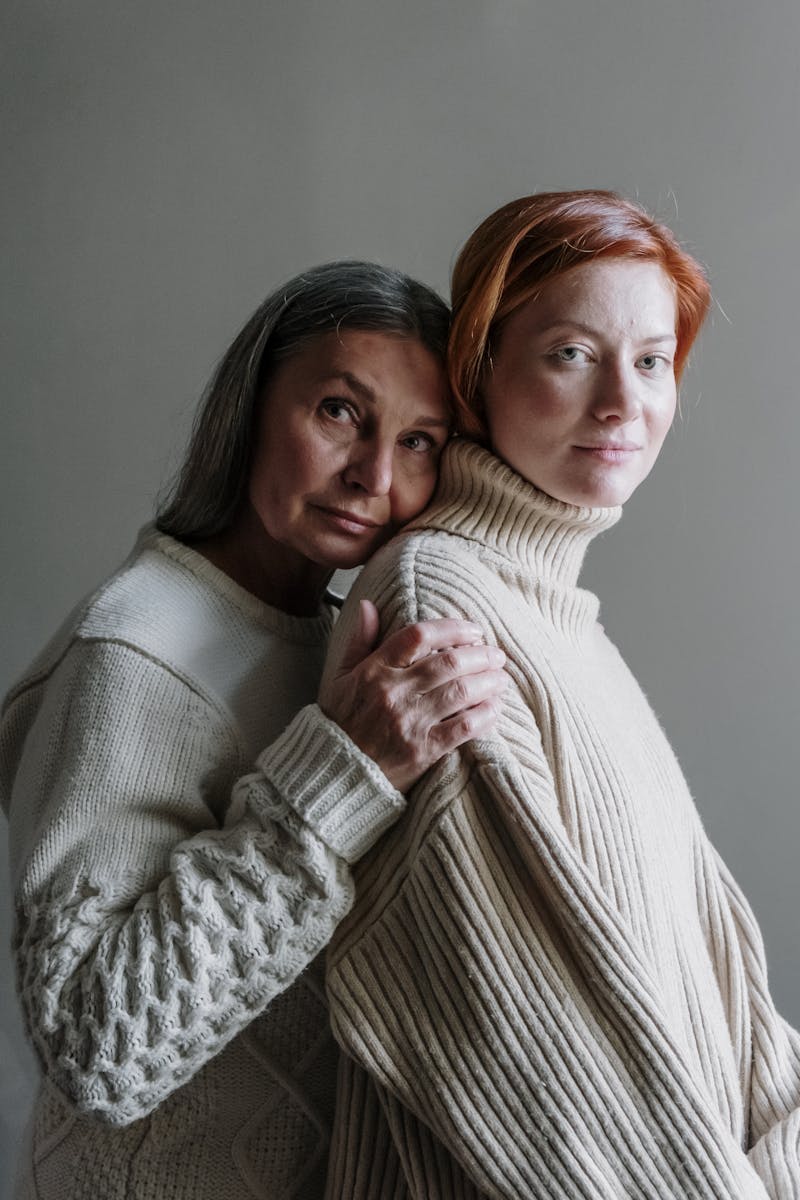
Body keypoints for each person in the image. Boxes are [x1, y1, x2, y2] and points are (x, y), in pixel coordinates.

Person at [321, 194, 800, 1198]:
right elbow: (541, 1049)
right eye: (571, 354)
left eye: (652, 361)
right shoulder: (441, 607)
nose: (622, 403)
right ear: (477, 371)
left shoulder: (556, 617)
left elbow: (717, 986)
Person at [0, 260, 509, 1200]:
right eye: (340, 412)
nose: (373, 475)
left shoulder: (332, 638)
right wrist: (340, 778)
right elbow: (94, 1046)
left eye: (419, 441)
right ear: (249, 408)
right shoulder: (136, 648)